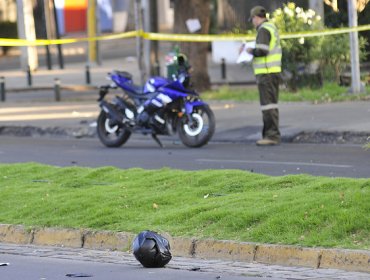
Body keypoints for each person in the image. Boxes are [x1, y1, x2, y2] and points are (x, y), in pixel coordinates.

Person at [244, 6, 282, 146]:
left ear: (256, 17)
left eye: (252, 19)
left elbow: (262, 50)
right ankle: (270, 134)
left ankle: (271, 136)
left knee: (268, 106)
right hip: (271, 72)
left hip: (266, 73)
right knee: (270, 104)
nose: (252, 22)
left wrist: (249, 50)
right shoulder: (271, 27)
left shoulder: (263, 29)